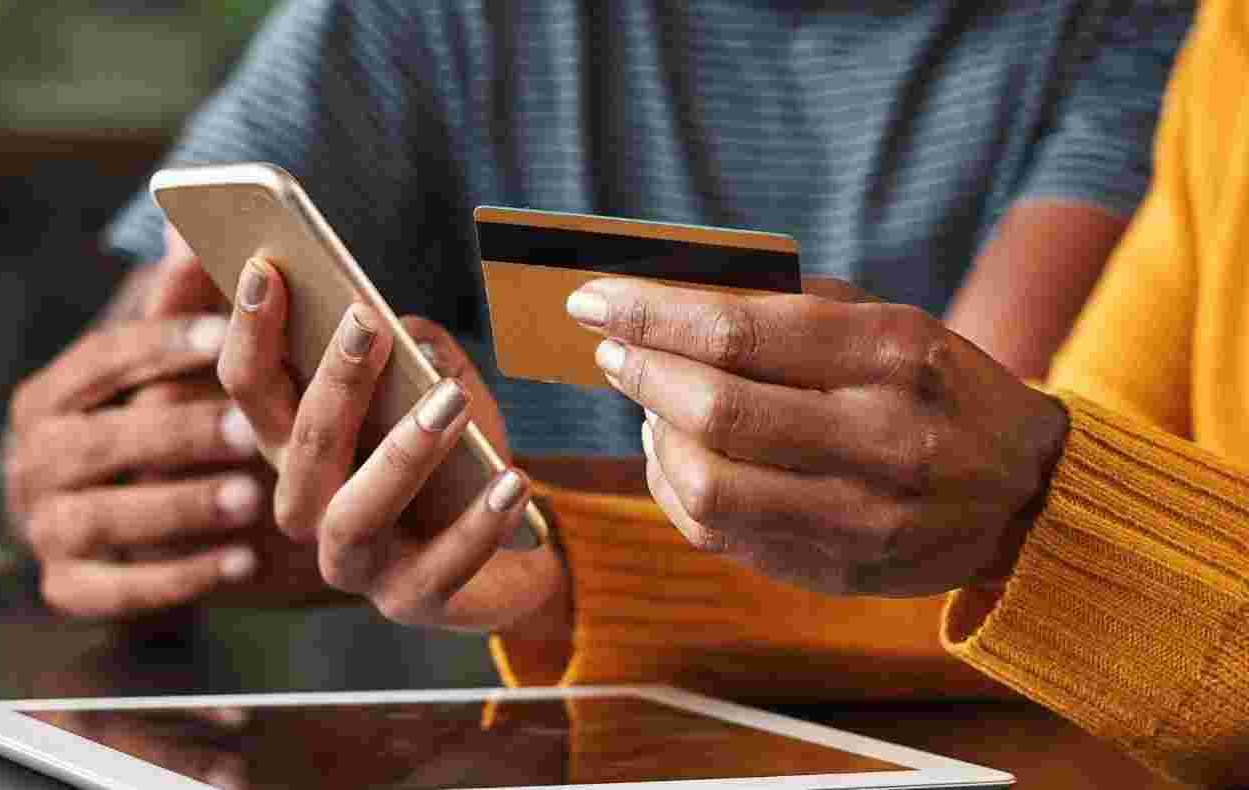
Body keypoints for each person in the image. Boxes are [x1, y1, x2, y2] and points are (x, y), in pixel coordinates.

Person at [194, 0, 1249, 784]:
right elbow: (1068, 606)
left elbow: (1073, 558)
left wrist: (1028, 507)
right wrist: (559, 575)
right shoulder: (1224, 55)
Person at [7, 0, 1190, 618]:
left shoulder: (1143, 33)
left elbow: (942, 521)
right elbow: (152, 352)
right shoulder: (435, 17)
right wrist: (90, 471)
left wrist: (524, 536)